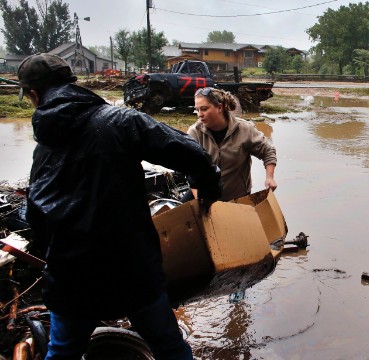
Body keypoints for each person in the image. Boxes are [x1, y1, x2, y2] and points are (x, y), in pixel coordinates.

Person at [20, 53, 223, 359]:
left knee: (62, 352)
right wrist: (207, 197)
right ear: (73, 84)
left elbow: (36, 214)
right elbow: (194, 155)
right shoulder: (121, 120)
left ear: (34, 94)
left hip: (70, 275)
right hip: (133, 268)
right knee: (169, 347)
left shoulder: (43, 150)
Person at [186, 87, 277, 201]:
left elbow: (268, 151)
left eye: (204, 109)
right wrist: (198, 198)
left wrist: (270, 177)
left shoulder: (245, 129)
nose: (199, 114)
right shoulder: (195, 132)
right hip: (206, 196)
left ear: (219, 107)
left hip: (237, 196)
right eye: (197, 110)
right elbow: (190, 168)